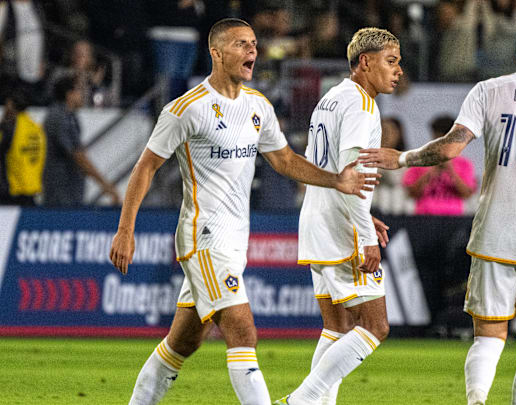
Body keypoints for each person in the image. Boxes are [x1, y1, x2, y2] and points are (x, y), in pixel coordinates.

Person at [108, 18, 378, 405]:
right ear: (216, 53)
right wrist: (125, 229)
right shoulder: (187, 108)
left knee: (183, 341)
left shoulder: (258, 107)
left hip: (235, 242)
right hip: (203, 238)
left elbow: (285, 160)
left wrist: (337, 181)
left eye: (253, 44)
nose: (252, 50)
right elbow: (146, 166)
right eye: (240, 44)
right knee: (242, 330)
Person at [360, 12, 516, 405]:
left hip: (495, 227)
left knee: (489, 334)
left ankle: (477, 399)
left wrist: (402, 158)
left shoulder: (489, 90)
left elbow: (450, 147)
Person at [274, 27, 402, 405]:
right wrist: (364, 232)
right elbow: (351, 170)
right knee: (375, 327)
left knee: (338, 326)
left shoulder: (331, 98)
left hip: (316, 218)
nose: (398, 71)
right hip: (342, 226)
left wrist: (365, 214)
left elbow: (331, 169)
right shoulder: (362, 105)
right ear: (365, 61)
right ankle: (299, 400)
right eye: (391, 62)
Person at [43, 75, 120, 207]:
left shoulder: (71, 116)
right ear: (69, 94)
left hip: (71, 190)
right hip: (60, 192)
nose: (82, 94)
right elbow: (77, 156)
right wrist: (105, 185)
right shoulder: (58, 117)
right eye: (79, 90)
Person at [402, 116, 476, 216]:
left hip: (453, 218)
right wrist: (430, 172)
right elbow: (411, 193)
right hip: (424, 216)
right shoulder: (419, 160)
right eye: (436, 138)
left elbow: (466, 194)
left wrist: (451, 171)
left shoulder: (464, 164)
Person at [0, 87, 45, 205]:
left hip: (12, 192)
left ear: (10, 104)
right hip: (32, 190)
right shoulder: (36, 127)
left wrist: (3, 121)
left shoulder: (9, 127)